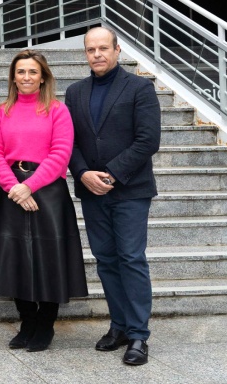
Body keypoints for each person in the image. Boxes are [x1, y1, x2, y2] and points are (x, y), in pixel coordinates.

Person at [66, 26, 161, 365]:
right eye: (91, 49)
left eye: (103, 48)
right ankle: (119, 325)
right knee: (106, 260)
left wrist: (112, 173)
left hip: (131, 190)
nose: (97, 54)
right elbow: (69, 142)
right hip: (92, 191)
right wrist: (82, 173)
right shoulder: (75, 92)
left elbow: (148, 140)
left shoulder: (139, 88)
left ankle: (138, 335)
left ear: (117, 50)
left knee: (131, 258)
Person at [0, 49, 88, 352]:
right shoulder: (2, 111)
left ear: (43, 76)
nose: (26, 77)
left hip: (48, 192)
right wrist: (14, 187)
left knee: (49, 258)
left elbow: (60, 154)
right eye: (21, 72)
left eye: (32, 72)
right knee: (16, 258)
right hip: (12, 192)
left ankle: (45, 324)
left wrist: (29, 186)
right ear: (13, 77)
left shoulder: (57, 110)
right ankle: (27, 320)